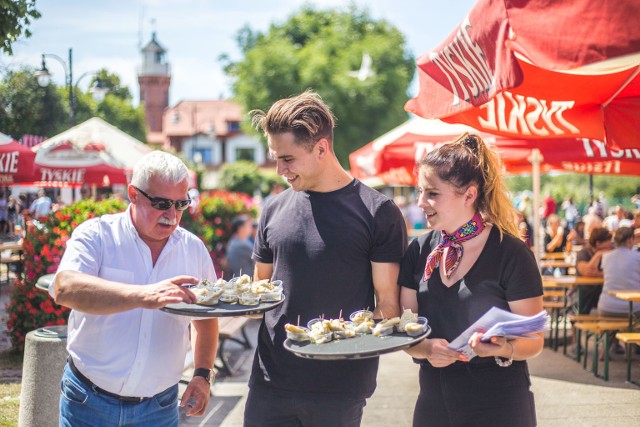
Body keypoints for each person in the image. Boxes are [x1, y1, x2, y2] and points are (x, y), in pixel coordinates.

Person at [247, 90, 407, 426]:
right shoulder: (273, 209)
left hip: (339, 388)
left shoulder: (379, 213)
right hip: (269, 383)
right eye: (275, 157)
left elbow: (388, 306)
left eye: (287, 159)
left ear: (321, 148)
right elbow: (259, 291)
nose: (279, 170)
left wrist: (343, 338)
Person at [50, 151, 219, 426]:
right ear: (133, 194)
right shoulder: (98, 234)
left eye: (180, 204)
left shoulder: (193, 248)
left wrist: (202, 374)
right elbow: (65, 288)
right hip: (89, 401)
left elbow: (207, 317)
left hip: (159, 407)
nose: (172, 215)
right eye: (162, 203)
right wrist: (143, 295)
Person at [398, 133, 543, 427]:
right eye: (420, 192)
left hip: (500, 405)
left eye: (432, 193)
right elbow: (405, 327)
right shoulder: (419, 250)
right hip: (434, 405)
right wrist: (424, 348)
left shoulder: (511, 253)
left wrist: (504, 348)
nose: (421, 202)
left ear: (469, 195)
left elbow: (534, 339)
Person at [595, 227, 640, 317]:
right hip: (633, 309)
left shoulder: (606, 257)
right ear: (630, 240)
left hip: (606, 307)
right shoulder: (637, 257)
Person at [573, 227, 613, 314]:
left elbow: (615, 272)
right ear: (598, 243)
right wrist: (598, 255)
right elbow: (587, 272)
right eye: (608, 242)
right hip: (584, 294)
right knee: (587, 295)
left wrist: (598, 273)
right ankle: (580, 323)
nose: (611, 245)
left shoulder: (611, 253)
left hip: (603, 293)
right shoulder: (583, 253)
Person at [224, 214, 255, 278]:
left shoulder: (235, 241)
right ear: (240, 228)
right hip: (242, 283)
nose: (251, 229)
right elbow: (258, 261)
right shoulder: (241, 245)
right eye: (249, 226)